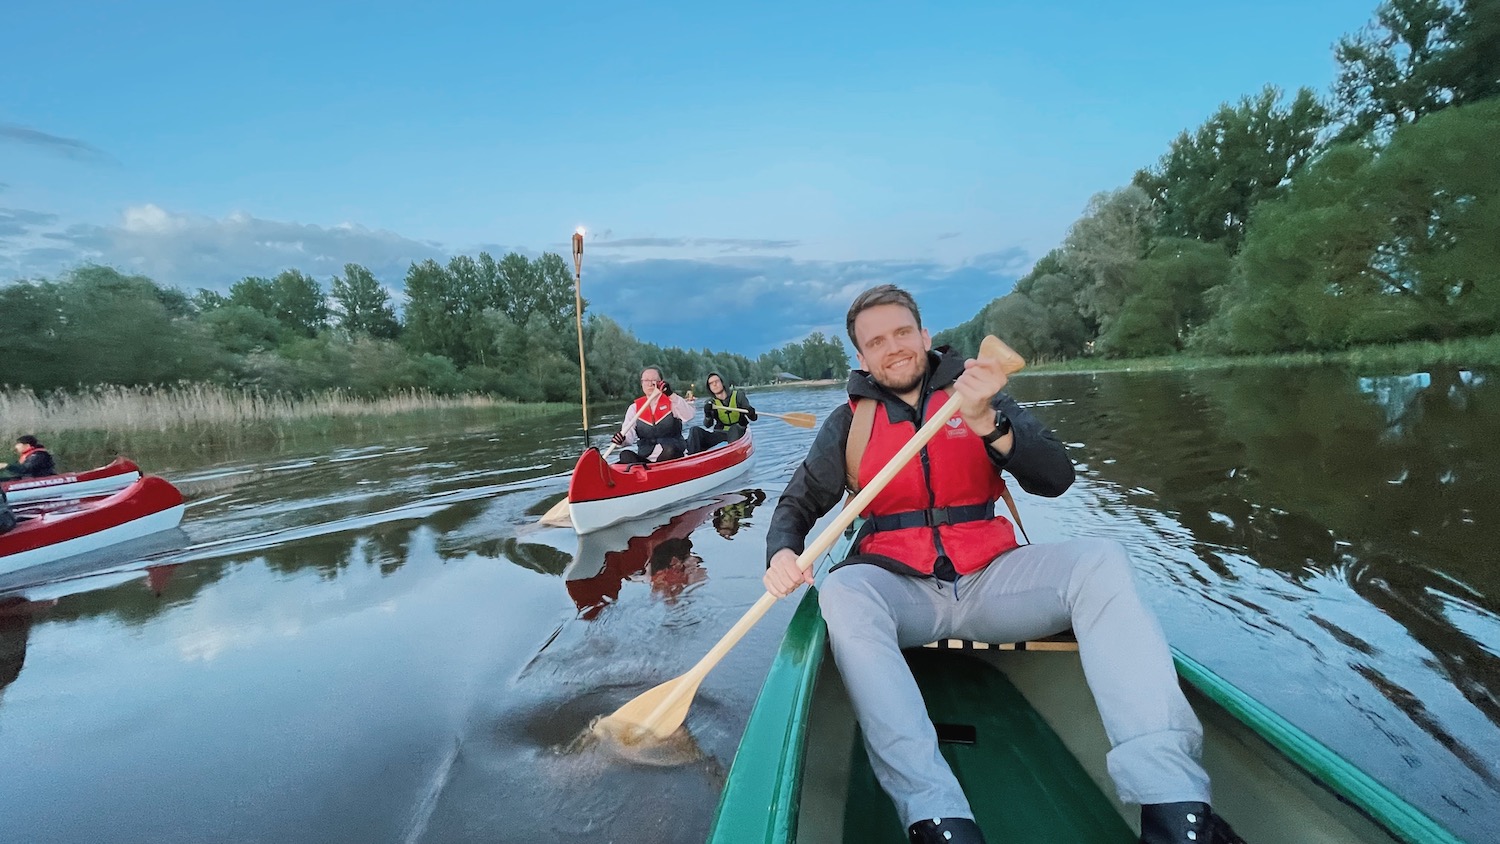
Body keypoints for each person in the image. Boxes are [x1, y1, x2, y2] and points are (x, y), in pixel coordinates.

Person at [762, 284, 1242, 844]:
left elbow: (1056, 477)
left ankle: (1175, 809)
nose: (892, 348)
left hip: (992, 582)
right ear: (862, 358)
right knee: (842, 594)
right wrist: (781, 552)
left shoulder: (979, 395)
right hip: (902, 591)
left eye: (901, 333)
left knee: (1101, 560)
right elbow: (797, 503)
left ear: (924, 337)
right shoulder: (850, 425)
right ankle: (936, 819)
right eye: (875, 342)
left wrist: (988, 419)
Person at [612, 367, 695, 465]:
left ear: (661, 383)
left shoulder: (672, 401)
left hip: (672, 455)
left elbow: (689, 415)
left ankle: (659, 472)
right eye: (646, 380)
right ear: (642, 384)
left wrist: (671, 394)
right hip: (646, 459)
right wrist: (621, 440)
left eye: (654, 380)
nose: (650, 383)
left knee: (670, 449)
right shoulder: (634, 408)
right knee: (625, 455)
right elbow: (628, 438)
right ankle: (647, 472)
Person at [686, 372, 758, 454]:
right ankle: (693, 457)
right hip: (720, 433)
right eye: (711, 383)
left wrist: (750, 412)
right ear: (709, 387)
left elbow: (754, 418)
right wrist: (708, 415)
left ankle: (733, 454)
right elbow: (708, 425)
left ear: (722, 382)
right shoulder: (711, 403)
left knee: (734, 429)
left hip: (738, 431)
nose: (714, 385)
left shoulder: (738, 396)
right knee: (694, 430)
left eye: (716, 381)